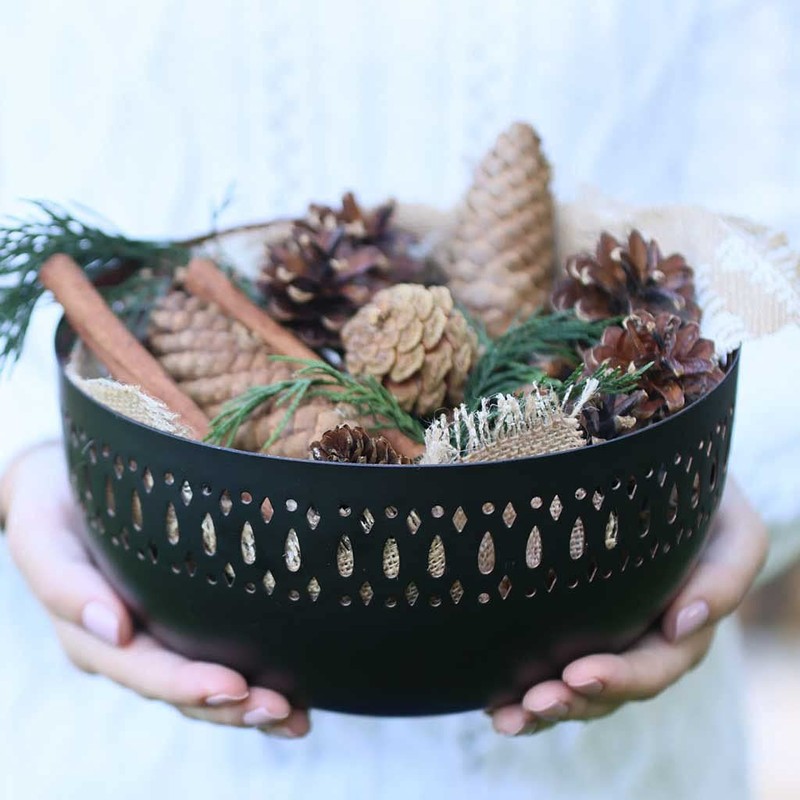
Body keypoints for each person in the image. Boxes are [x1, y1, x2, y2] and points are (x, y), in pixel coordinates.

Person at [1, 2, 799, 798]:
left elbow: (775, 240)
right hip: (136, 726)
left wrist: (732, 478)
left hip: (600, 692)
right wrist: (23, 458)